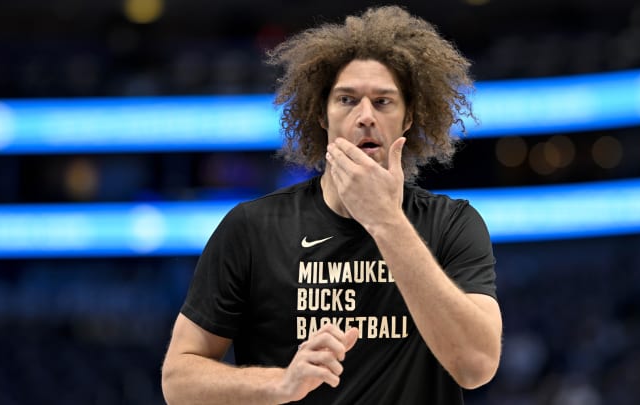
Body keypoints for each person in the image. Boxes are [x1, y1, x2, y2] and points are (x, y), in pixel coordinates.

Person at [161, 5, 502, 404]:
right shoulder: (251, 228)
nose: (365, 117)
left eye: (383, 102)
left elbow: (477, 366)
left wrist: (386, 221)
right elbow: (178, 381)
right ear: (321, 115)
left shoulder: (452, 223)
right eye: (346, 99)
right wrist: (280, 383)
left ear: (409, 118)